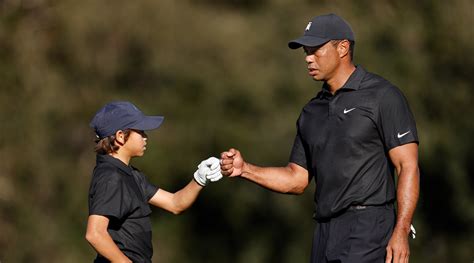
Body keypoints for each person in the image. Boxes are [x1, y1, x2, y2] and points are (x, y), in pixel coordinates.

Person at [220, 13, 419, 263]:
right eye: (306, 52)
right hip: (324, 233)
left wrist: (401, 230)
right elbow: (297, 179)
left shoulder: (382, 96)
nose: (308, 58)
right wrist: (245, 169)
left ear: (343, 47)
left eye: (315, 50)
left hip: (369, 227)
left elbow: (407, 166)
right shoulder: (311, 112)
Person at [85, 101, 222, 263]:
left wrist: (199, 178)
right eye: (140, 131)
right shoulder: (111, 177)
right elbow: (95, 234)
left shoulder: (131, 175)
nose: (145, 137)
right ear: (121, 136)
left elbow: (175, 204)